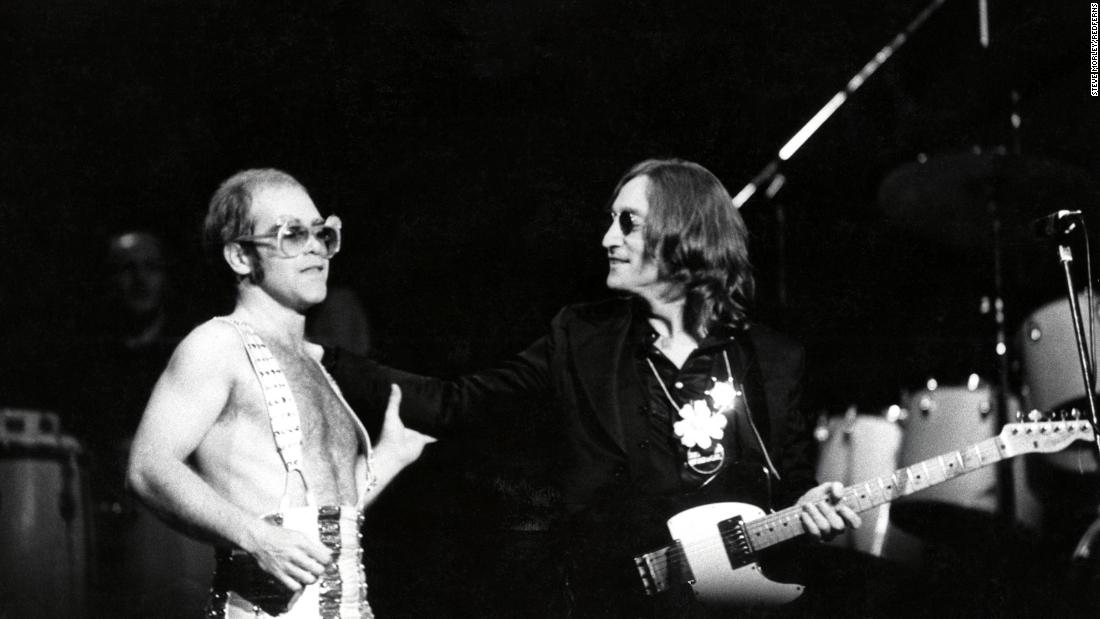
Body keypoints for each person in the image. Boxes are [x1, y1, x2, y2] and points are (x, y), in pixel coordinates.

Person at [322, 158, 862, 617]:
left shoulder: (771, 359)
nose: (608, 239)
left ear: (683, 233)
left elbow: (787, 483)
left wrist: (810, 505)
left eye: (628, 223)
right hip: (608, 601)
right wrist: (322, 357)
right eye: (611, 221)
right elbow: (455, 403)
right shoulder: (582, 337)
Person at [127, 168, 433, 618]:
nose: (315, 247)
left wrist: (391, 455)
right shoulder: (219, 345)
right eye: (291, 234)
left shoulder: (317, 365)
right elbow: (148, 468)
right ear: (241, 257)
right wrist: (257, 538)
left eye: (323, 233)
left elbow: (324, 515)